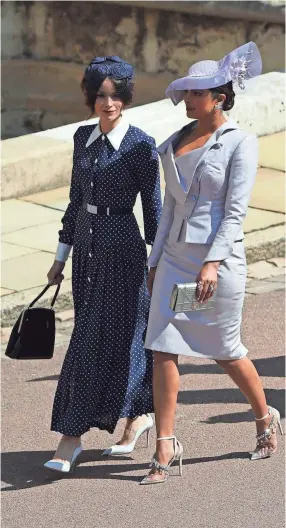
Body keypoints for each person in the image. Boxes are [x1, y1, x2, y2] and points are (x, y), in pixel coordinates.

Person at [141, 42, 283, 485]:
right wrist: (154, 259)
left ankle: (264, 417)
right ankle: (165, 445)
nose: (186, 100)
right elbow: (167, 209)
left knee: (224, 351)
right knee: (162, 346)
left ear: (218, 97)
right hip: (175, 260)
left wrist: (213, 264)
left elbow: (236, 212)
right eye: (185, 92)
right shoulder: (173, 144)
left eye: (195, 93)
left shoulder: (240, 142)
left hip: (215, 264)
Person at [44, 56, 162, 473]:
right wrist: (60, 256)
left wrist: (159, 266)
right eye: (100, 95)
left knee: (108, 338)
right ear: (90, 97)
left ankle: (71, 436)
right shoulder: (82, 139)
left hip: (124, 252)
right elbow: (75, 202)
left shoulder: (141, 145)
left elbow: (154, 212)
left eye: (114, 95)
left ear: (126, 98)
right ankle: (137, 416)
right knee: (100, 335)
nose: (107, 103)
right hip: (86, 254)